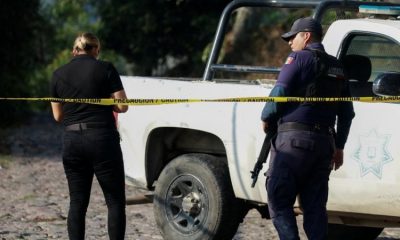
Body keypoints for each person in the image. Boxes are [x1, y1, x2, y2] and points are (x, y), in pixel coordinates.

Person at [261, 17, 355, 240]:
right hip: (324, 147)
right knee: (314, 209)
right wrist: (339, 146)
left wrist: (266, 116)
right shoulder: (338, 66)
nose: (289, 43)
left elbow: (280, 93)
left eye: (293, 37)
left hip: (293, 143)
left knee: (279, 199)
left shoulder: (298, 58)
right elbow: (347, 113)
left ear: (306, 36)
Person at [50, 32, 128, 240]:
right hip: (103, 139)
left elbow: (58, 116)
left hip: (73, 141)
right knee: (114, 201)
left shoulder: (58, 74)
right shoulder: (106, 68)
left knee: (77, 202)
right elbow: (122, 106)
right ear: (96, 50)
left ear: (74, 51)